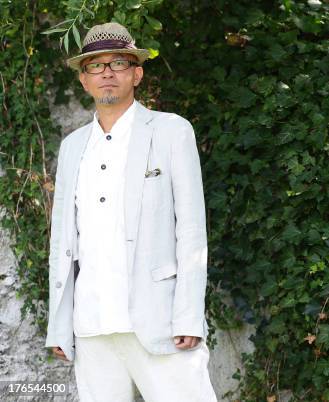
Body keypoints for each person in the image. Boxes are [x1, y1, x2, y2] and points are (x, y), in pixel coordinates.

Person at [44, 22, 217, 402]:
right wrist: (59, 324)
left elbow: (191, 229)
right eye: (95, 65)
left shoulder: (171, 131)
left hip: (160, 321)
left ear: (136, 74)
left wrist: (188, 314)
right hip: (91, 326)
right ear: (84, 80)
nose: (107, 72)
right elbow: (63, 240)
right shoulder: (72, 147)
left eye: (118, 63)